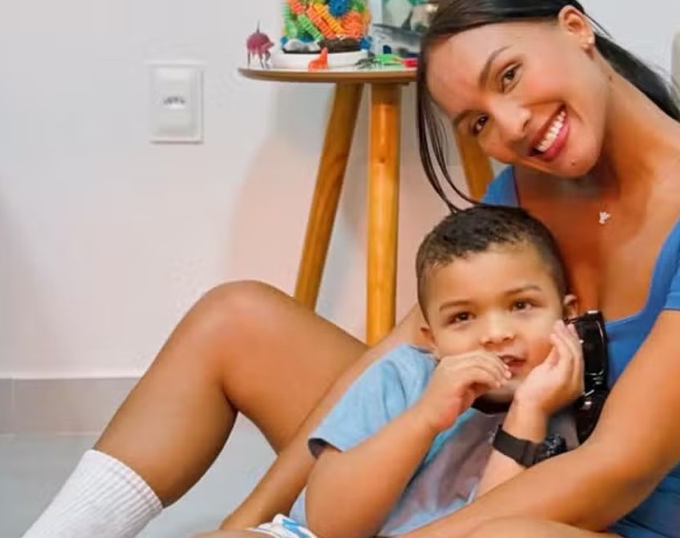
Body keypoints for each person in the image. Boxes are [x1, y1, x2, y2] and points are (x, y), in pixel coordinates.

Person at [23, 0, 680, 538]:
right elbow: (406, 347)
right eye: (477, 123)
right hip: (471, 483)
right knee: (237, 317)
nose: (512, 125)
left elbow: (619, 470)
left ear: (576, 29)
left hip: (589, 521)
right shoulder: (527, 187)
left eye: (511, 75)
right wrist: (252, 524)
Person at [236, 205, 586, 538]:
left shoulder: (569, 413)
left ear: (569, 314)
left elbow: (493, 526)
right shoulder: (402, 376)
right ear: (432, 340)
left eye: (521, 305)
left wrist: (528, 413)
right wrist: (426, 416)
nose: (495, 334)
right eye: (462, 317)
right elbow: (327, 524)